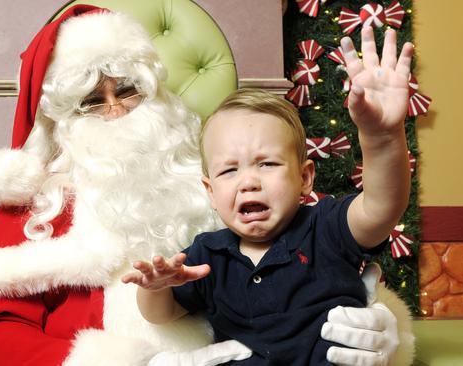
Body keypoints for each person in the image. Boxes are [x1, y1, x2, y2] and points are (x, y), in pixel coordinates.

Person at [0, 5, 414, 366]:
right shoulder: (41, 213)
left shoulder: (213, 188)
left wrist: (374, 328)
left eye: (127, 90)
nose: (116, 111)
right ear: (60, 123)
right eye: (91, 102)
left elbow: (334, 269)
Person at [123, 26, 414, 366]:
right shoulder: (207, 254)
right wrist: (156, 288)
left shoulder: (327, 227)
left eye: (267, 164)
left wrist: (382, 138)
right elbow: (162, 315)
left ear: (304, 178)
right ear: (210, 192)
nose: (248, 182)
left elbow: (382, 206)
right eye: (229, 170)